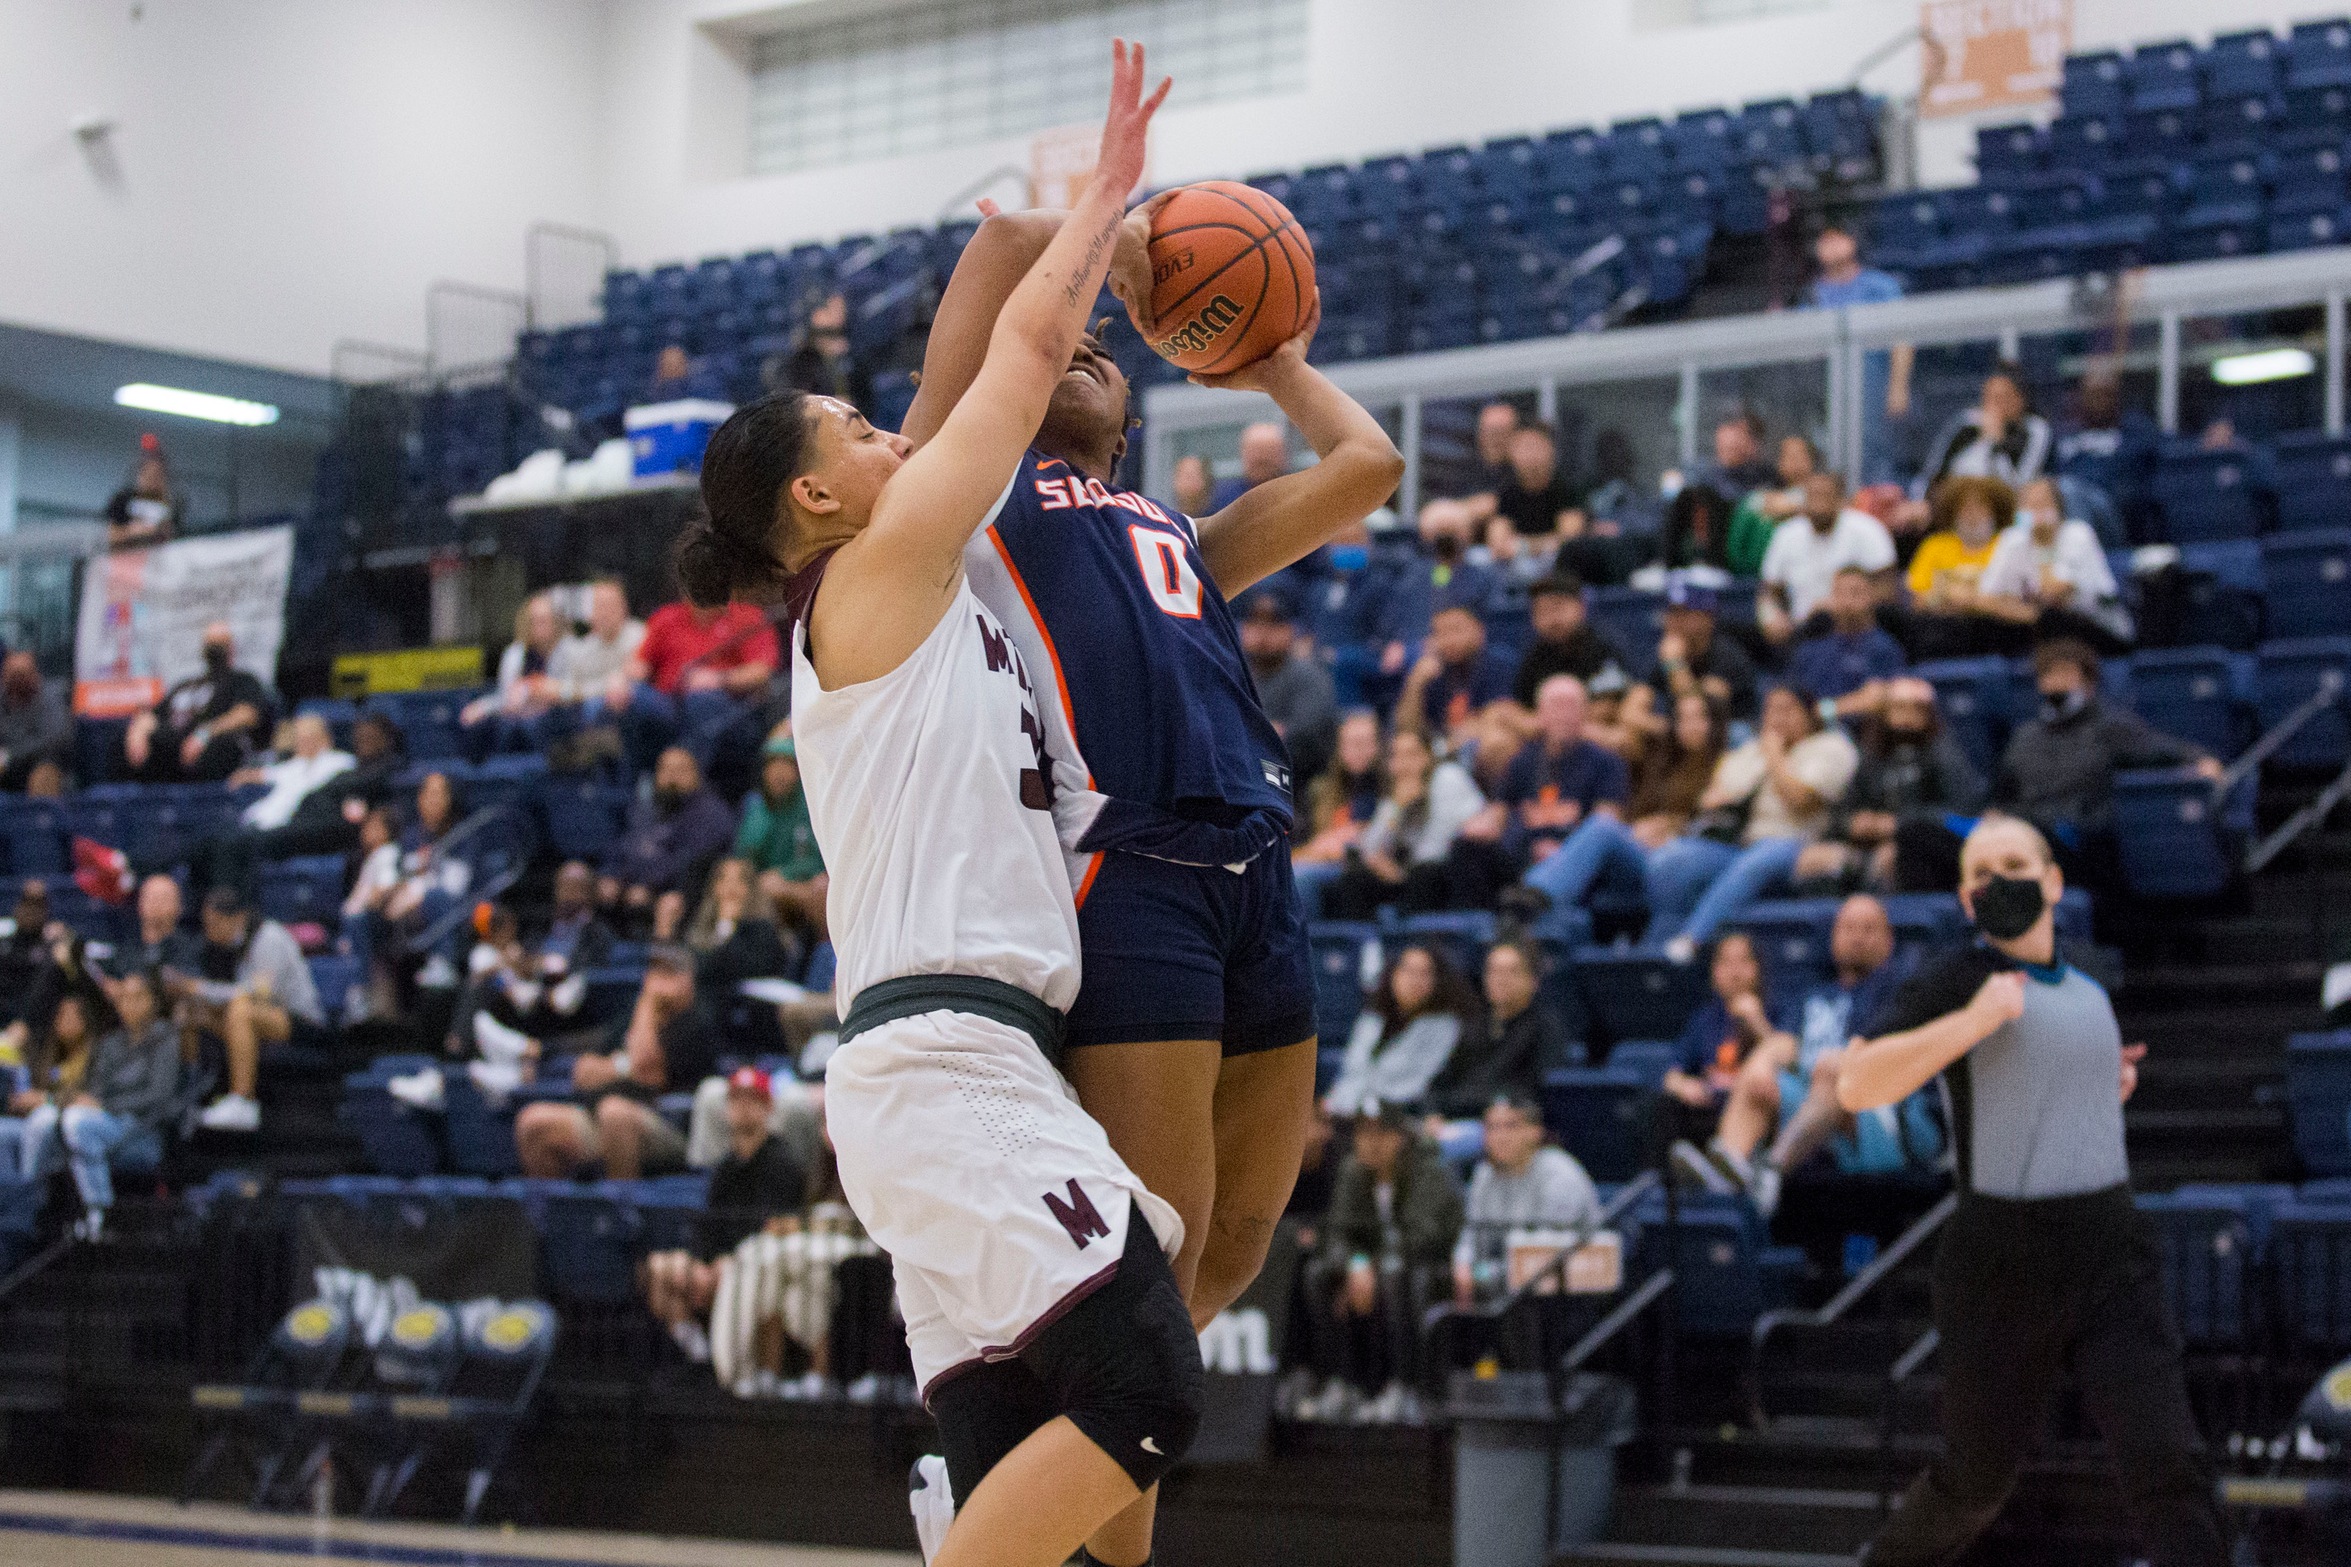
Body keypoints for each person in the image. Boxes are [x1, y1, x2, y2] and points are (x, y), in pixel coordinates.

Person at [680, 49, 1212, 1567]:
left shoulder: (902, 571)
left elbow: (976, 343)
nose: (890, 434)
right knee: (1145, 1393)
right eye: (856, 430)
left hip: (961, 1069)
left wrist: (1036, 218)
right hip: (948, 1065)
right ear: (815, 500)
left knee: (1081, 1510)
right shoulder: (881, 571)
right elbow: (1022, 356)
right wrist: (1105, 199)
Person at [1841, 817, 2228, 1567]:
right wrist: (1973, 1021)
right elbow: (1858, 1084)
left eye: (2015, 864)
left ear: (2052, 882)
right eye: (1981, 873)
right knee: (1974, 1484)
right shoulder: (1956, 978)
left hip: (2110, 1251)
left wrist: (2100, 1082)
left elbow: (2047, 1084)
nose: (2000, 881)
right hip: (2001, 1260)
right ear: (1965, 899)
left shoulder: (2090, 974)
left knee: (2166, 1462)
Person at [1675, 895, 1932, 1212]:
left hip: (1878, 1110)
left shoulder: (1900, 988)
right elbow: (1785, 1045)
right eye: (1849, 927)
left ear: (1889, 940)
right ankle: (1727, 1175)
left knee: (1833, 1068)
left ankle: (1771, 1171)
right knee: (1760, 1073)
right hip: (1812, 1107)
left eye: (1869, 929)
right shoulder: (1814, 994)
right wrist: (1761, 1061)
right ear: (1833, 936)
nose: (1857, 936)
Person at [1647, 685, 1859, 958]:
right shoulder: (1750, 750)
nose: (1778, 717)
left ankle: (1692, 939)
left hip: (1796, 846)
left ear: (1808, 714)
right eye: (1771, 710)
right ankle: (1654, 952)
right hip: (1741, 848)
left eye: (1787, 709)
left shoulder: (1830, 746)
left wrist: (1774, 756)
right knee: (1672, 859)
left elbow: (1801, 801)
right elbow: (1714, 799)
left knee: (1764, 854)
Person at [1994, 640, 2220, 885]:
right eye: (2049, 675)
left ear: (2089, 683)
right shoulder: (2024, 737)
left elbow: (2163, 749)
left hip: (2083, 837)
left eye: (2066, 674)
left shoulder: (2111, 727)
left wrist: (2201, 761)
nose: (2057, 683)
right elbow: (2002, 793)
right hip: (2026, 831)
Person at [1301, 1102, 1464, 1423]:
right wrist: (1356, 1263)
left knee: (1395, 1274)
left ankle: (1406, 1387)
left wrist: (1370, 1265)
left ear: (1400, 1137)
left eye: (1382, 1134)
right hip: (1376, 1268)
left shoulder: (1427, 1169)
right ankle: (1340, 1382)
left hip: (1431, 1267)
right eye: (1364, 1134)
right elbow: (1338, 1232)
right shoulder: (1353, 1171)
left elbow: (1424, 1238)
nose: (1371, 1143)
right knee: (1318, 1274)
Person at [1518, 690, 1724, 936]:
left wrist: (1670, 825)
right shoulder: (1662, 760)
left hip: (1676, 858)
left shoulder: (1725, 765)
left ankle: (1534, 895)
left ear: (1716, 723)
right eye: (1683, 718)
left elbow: (1715, 824)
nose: (1690, 726)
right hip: (1639, 852)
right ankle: (1533, 900)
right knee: (1599, 828)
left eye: (1699, 717)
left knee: (1602, 826)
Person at [641, 1065, 810, 1363]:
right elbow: (709, 1224)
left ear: (768, 1108)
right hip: (718, 1263)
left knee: (728, 1274)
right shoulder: (724, 1168)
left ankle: (732, 1361)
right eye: (736, 1100)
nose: (743, 1108)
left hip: (757, 1263)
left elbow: (776, 1225)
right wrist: (704, 1262)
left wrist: (729, 1260)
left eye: (752, 1100)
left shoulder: (784, 1164)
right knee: (659, 1267)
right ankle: (697, 1352)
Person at [512, 944, 718, 1179]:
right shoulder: (632, 1017)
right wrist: (622, 1067)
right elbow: (584, 1073)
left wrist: (648, 1003)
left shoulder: (696, 1021)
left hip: (671, 1126)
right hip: (605, 1116)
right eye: (654, 971)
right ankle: (554, 1204)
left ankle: (620, 1203)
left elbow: (646, 1072)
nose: (656, 981)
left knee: (615, 1114)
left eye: (668, 973)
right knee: (533, 1122)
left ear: (687, 980)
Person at [12, 968, 177, 1236]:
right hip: (105, 1118)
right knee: (43, 1121)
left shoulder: (165, 1038)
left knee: (77, 1123)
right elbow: (95, 1088)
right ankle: (28, 1203)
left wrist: (104, 1105)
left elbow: (158, 1095)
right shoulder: (111, 1042)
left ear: (153, 1002)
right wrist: (89, 1102)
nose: (129, 1004)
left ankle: (99, 1211)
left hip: (141, 1124)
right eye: (124, 998)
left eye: (138, 997)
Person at [1802, 676, 1984, 894]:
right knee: (1815, 859)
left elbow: (1962, 814)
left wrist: (1898, 824)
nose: (1906, 717)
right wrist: (1853, 823)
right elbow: (1843, 810)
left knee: (1891, 858)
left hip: (1924, 847)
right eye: (1899, 708)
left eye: (1916, 709)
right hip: (1866, 846)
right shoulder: (1872, 756)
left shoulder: (1943, 753)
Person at [1460, 675, 1628, 896]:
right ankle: (1473, 916)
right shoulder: (1523, 760)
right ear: (1540, 714)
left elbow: (1606, 821)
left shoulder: (1605, 762)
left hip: (1579, 863)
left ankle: (1533, 898)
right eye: (1556, 707)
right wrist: (1481, 826)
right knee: (1466, 846)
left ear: (1584, 714)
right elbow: (1498, 812)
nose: (1563, 716)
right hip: (1524, 855)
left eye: (1571, 707)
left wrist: (1567, 853)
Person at [183, 885, 326, 1132]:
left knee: (241, 1010)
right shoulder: (237, 946)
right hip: (265, 1019)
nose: (209, 931)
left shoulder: (269, 937)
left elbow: (258, 995)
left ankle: (243, 1101)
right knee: (197, 1014)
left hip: (304, 1024)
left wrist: (199, 988)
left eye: (215, 923)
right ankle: (191, 1095)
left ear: (238, 918)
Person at [1450, 1090, 1601, 1306]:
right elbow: (1471, 1235)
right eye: (1492, 1127)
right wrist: (1463, 1267)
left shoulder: (1560, 1172)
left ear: (1535, 1131)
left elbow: (1543, 1253)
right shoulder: (1484, 1174)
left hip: (1566, 1293)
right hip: (1505, 1282)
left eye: (1510, 1126)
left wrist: (1482, 1273)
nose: (1500, 1137)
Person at [1323, 727, 1487, 919]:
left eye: (1411, 755)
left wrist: (1400, 873)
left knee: (1424, 874)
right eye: (1397, 756)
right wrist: (1396, 808)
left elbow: (1438, 846)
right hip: (1408, 873)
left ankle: (1421, 937)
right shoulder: (1397, 793)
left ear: (1428, 757)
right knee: (1354, 880)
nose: (1403, 764)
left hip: (1451, 872)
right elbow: (1367, 849)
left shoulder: (1446, 778)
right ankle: (1364, 938)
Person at [607, 593, 780, 774]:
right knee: (631, 698)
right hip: (670, 703)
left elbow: (762, 671)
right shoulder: (667, 617)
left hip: (728, 707)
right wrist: (621, 680)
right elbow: (640, 664)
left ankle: (687, 779)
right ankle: (631, 782)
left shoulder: (747, 616)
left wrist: (718, 679)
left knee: (700, 702)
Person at [1803, 226, 1912, 486]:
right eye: (1824, 240)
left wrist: (1897, 388)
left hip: (1874, 389)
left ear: (1852, 241)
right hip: (1828, 395)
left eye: (1836, 238)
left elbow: (1902, 338)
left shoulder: (1880, 286)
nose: (1830, 246)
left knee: (1878, 461)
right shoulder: (1812, 294)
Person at [1422, 940, 1577, 1122]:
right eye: (1494, 971)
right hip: (1456, 1121)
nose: (1501, 980)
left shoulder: (1547, 1027)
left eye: (1512, 972)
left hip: (1509, 1123)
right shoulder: (1470, 1024)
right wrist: (1432, 1114)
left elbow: (1544, 1092)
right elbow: (1439, 1081)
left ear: (1533, 980)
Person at [1977, 476, 2133, 653]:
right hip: (2041, 625)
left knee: (2052, 618)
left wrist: (2041, 541)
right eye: (2028, 504)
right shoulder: (2012, 539)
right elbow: (1986, 597)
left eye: (2042, 504)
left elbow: (2053, 592)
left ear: (2058, 507)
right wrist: (2022, 612)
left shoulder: (2078, 533)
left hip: (2098, 625)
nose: (2035, 511)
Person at [1324, 945, 1473, 1117]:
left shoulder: (1445, 1026)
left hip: (1402, 1114)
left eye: (1424, 973)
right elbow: (1351, 1071)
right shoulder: (1371, 1019)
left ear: (1437, 980)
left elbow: (1419, 1084)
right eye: (1408, 970)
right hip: (1349, 1111)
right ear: (1392, 974)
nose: (1414, 980)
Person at [121, 623, 274, 783]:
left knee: (220, 748)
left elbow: (247, 714)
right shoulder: (186, 684)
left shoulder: (242, 680)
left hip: (209, 745)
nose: (214, 650)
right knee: (122, 740)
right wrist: (137, 733)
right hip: (171, 746)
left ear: (231, 648)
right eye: (210, 644)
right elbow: (152, 715)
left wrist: (203, 735)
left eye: (219, 644)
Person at [601, 747, 738, 925]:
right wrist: (613, 875)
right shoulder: (647, 808)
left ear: (697, 774)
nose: (672, 777)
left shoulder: (711, 813)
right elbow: (624, 845)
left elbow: (690, 863)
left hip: (685, 894)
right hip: (635, 886)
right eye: (665, 769)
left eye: (680, 770)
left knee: (655, 902)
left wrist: (646, 884)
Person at [1895, 477, 2023, 661]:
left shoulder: (2009, 545)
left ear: (1995, 510)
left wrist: (1965, 598)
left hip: (1996, 631)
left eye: (1980, 507)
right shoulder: (1935, 545)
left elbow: (2016, 597)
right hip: (1945, 630)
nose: (1972, 515)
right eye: (1965, 508)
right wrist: (1966, 599)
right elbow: (1919, 600)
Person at [1758, 471, 1897, 639]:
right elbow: (1768, 591)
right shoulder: (1787, 534)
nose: (1818, 505)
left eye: (1825, 496)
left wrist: (1841, 604)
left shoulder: (1868, 529)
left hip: (1857, 630)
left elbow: (1887, 589)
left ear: (1841, 500)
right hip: (1802, 632)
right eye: (1813, 496)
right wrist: (1770, 617)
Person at [1662, 931, 1773, 1127]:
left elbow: (1788, 1065)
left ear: (1758, 968)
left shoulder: (1775, 1012)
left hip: (1754, 1107)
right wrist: (1684, 1086)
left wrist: (1757, 1022)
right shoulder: (1704, 1019)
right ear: (1714, 971)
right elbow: (1671, 1075)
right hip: (1709, 1108)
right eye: (1726, 962)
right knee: (1660, 1105)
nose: (1735, 973)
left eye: (1743, 961)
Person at [1236, 590, 1338, 791]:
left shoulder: (1307, 674)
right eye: (1255, 623)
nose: (1263, 632)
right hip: (1247, 780)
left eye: (1273, 624)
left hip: (1300, 784)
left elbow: (1307, 737)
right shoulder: (1235, 674)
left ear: (1290, 629)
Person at [733, 731, 828, 945]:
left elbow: (819, 859)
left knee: (822, 888)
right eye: (773, 766)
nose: (779, 774)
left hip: (804, 884)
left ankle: (825, 953)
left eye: (786, 766)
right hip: (761, 886)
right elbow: (744, 859)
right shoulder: (756, 810)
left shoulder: (810, 806)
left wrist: (784, 875)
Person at [1915, 363, 2052, 496]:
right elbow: (1933, 475)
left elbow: (2020, 488)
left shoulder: (2035, 429)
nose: (1992, 405)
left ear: (2020, 400)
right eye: (1988, 397)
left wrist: (1994, 444)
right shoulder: (1966, 424)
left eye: (2000, 398)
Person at [1395, 599, 1515, 749]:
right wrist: (1415, 683)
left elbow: (1499, 716)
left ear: (1480, 631)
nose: (1449, 640)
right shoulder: (1435, 672)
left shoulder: (1498, 664)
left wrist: (1449, 744)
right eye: (1440, 633)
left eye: (1456, 629)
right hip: (1442, 750)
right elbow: (1407, 729)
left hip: (1477, 749)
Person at [1641, 574, 1758, 722]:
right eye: (1671, 612)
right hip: (1685, 730)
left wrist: (1675, 664)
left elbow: (1702, 711)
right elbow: (1636, 704)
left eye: (1683, 613)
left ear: (1707, 617)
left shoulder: (1727, 656)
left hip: (1733, 730)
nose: (1674, 621)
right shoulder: (1667, 652)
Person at [461, 593, 567, 756]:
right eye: (533, 621)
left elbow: (567, 692)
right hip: (516, 715)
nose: (537, 627)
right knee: (496, 726)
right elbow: (506, 697)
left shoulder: (568, 651)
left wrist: (536, 692)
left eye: (543, 621)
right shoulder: (514, 653)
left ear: (556, 623)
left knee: (533, 726)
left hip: (556, 717)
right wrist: (482, 707)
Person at [1788, 567, 1906, 712]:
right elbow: (1794, 698)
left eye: (1855, 593)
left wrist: (1824, 711)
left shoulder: (1884, 648)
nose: (1847, 602)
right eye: (1840, 593)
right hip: (1813, 725)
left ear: (1871, 596)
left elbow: (1877, 700)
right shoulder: (1810, 650)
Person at [674, 856, 798, 995]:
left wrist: (729, 924)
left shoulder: (764, 930)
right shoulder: (702, 928)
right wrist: (724, 925)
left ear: (751, 889)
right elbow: (698, 970)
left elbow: (742, 970)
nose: (731, 888)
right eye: (724, 880)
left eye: (740, 880)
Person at [1511, 570, 1626, 705]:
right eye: (1542, 611)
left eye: (1558, 607)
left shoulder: (1604, 646)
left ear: (1581, 607)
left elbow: (1610, 704)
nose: (1552, 620)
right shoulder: (1535, 656)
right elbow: (1523, 704)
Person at [0, 651, 72, 792]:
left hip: (38, 763)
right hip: (6, 767)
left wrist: (11, 755)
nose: (17, 681)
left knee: (44, 775)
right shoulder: (3, 699)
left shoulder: (50, 698)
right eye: (13, 675)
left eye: (22, 675)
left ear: (34, 674)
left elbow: (55, 739)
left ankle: (41, 808)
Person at [104, 438, 184, 550]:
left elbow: (175, 540)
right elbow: (111, 537)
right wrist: (133, 532)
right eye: (148, 475)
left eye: (157, 476)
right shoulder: (123, 499)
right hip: (126, 555)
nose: (153, 480)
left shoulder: (172, 505)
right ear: (139, 474)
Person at [1690, 413, 1776, 499]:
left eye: (1746, 435)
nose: (1735, 440)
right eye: (1735, 431)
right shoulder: (1699, 474)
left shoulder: (1764, 475)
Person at [1211, 420, 1293, 509]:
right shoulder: (1221, 498)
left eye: (1269, 453)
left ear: (1284, 454)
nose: (1261, 457)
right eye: (1255, 453)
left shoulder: (1299, 492)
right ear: (1243, 454)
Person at [1169, 454, 1213, 519]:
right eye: (1182, 475)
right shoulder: (1170, 517)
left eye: (1192, 476)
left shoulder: (1215, 517)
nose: (1187, 482)